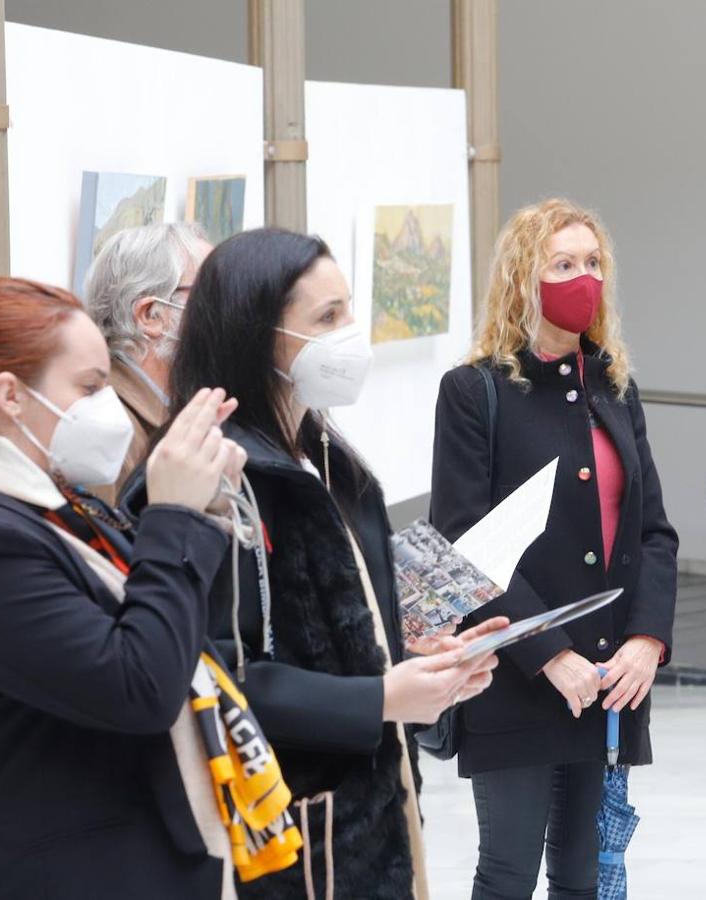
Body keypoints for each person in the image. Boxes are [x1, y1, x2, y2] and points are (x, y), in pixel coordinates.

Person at [124, 227, 506, 899]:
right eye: (326, 317)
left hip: (373, 823)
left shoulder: (330, 459)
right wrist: (382, 696)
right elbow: (210, 676)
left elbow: (347, 637)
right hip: (285, 842)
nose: (350, 333)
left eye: (348, 309)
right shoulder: (214, 473)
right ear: (257, 332)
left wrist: (422, 665)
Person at [0, 277, 262, 898]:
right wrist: (176, 518)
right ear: (11, 396)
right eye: (89, 386)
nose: (105, 404)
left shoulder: (44, 506)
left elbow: (169, 632)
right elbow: (139, 686)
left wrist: (203, 510)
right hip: (62, 871)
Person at [430, 198, 680, 899]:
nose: (584, 277)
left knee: (584, 878)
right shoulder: (474, 391)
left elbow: (654, 531)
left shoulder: (615, 387)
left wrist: (646, 640)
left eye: (593, 262)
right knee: (507, 873)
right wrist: (550, 654)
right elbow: (464, 544)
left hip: (610, 679)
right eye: (563, 263)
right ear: (521, 278)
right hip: (516, 675)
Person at [84, 222, 212, 503]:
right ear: (151, 315)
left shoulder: (183, 407)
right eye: (211, 293)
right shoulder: (106, 430)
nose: (227, 307)